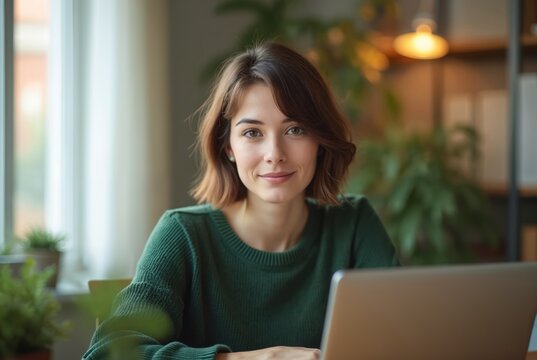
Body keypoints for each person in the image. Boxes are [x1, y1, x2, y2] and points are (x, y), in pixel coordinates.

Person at [83, 42, 399, 360]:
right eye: (252, 133)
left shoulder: (355, 223)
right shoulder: (183, 235)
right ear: (228, 147)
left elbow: (403, 338)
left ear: (319, 140)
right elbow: (106, 353)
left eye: (295, 129)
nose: (275, 154)